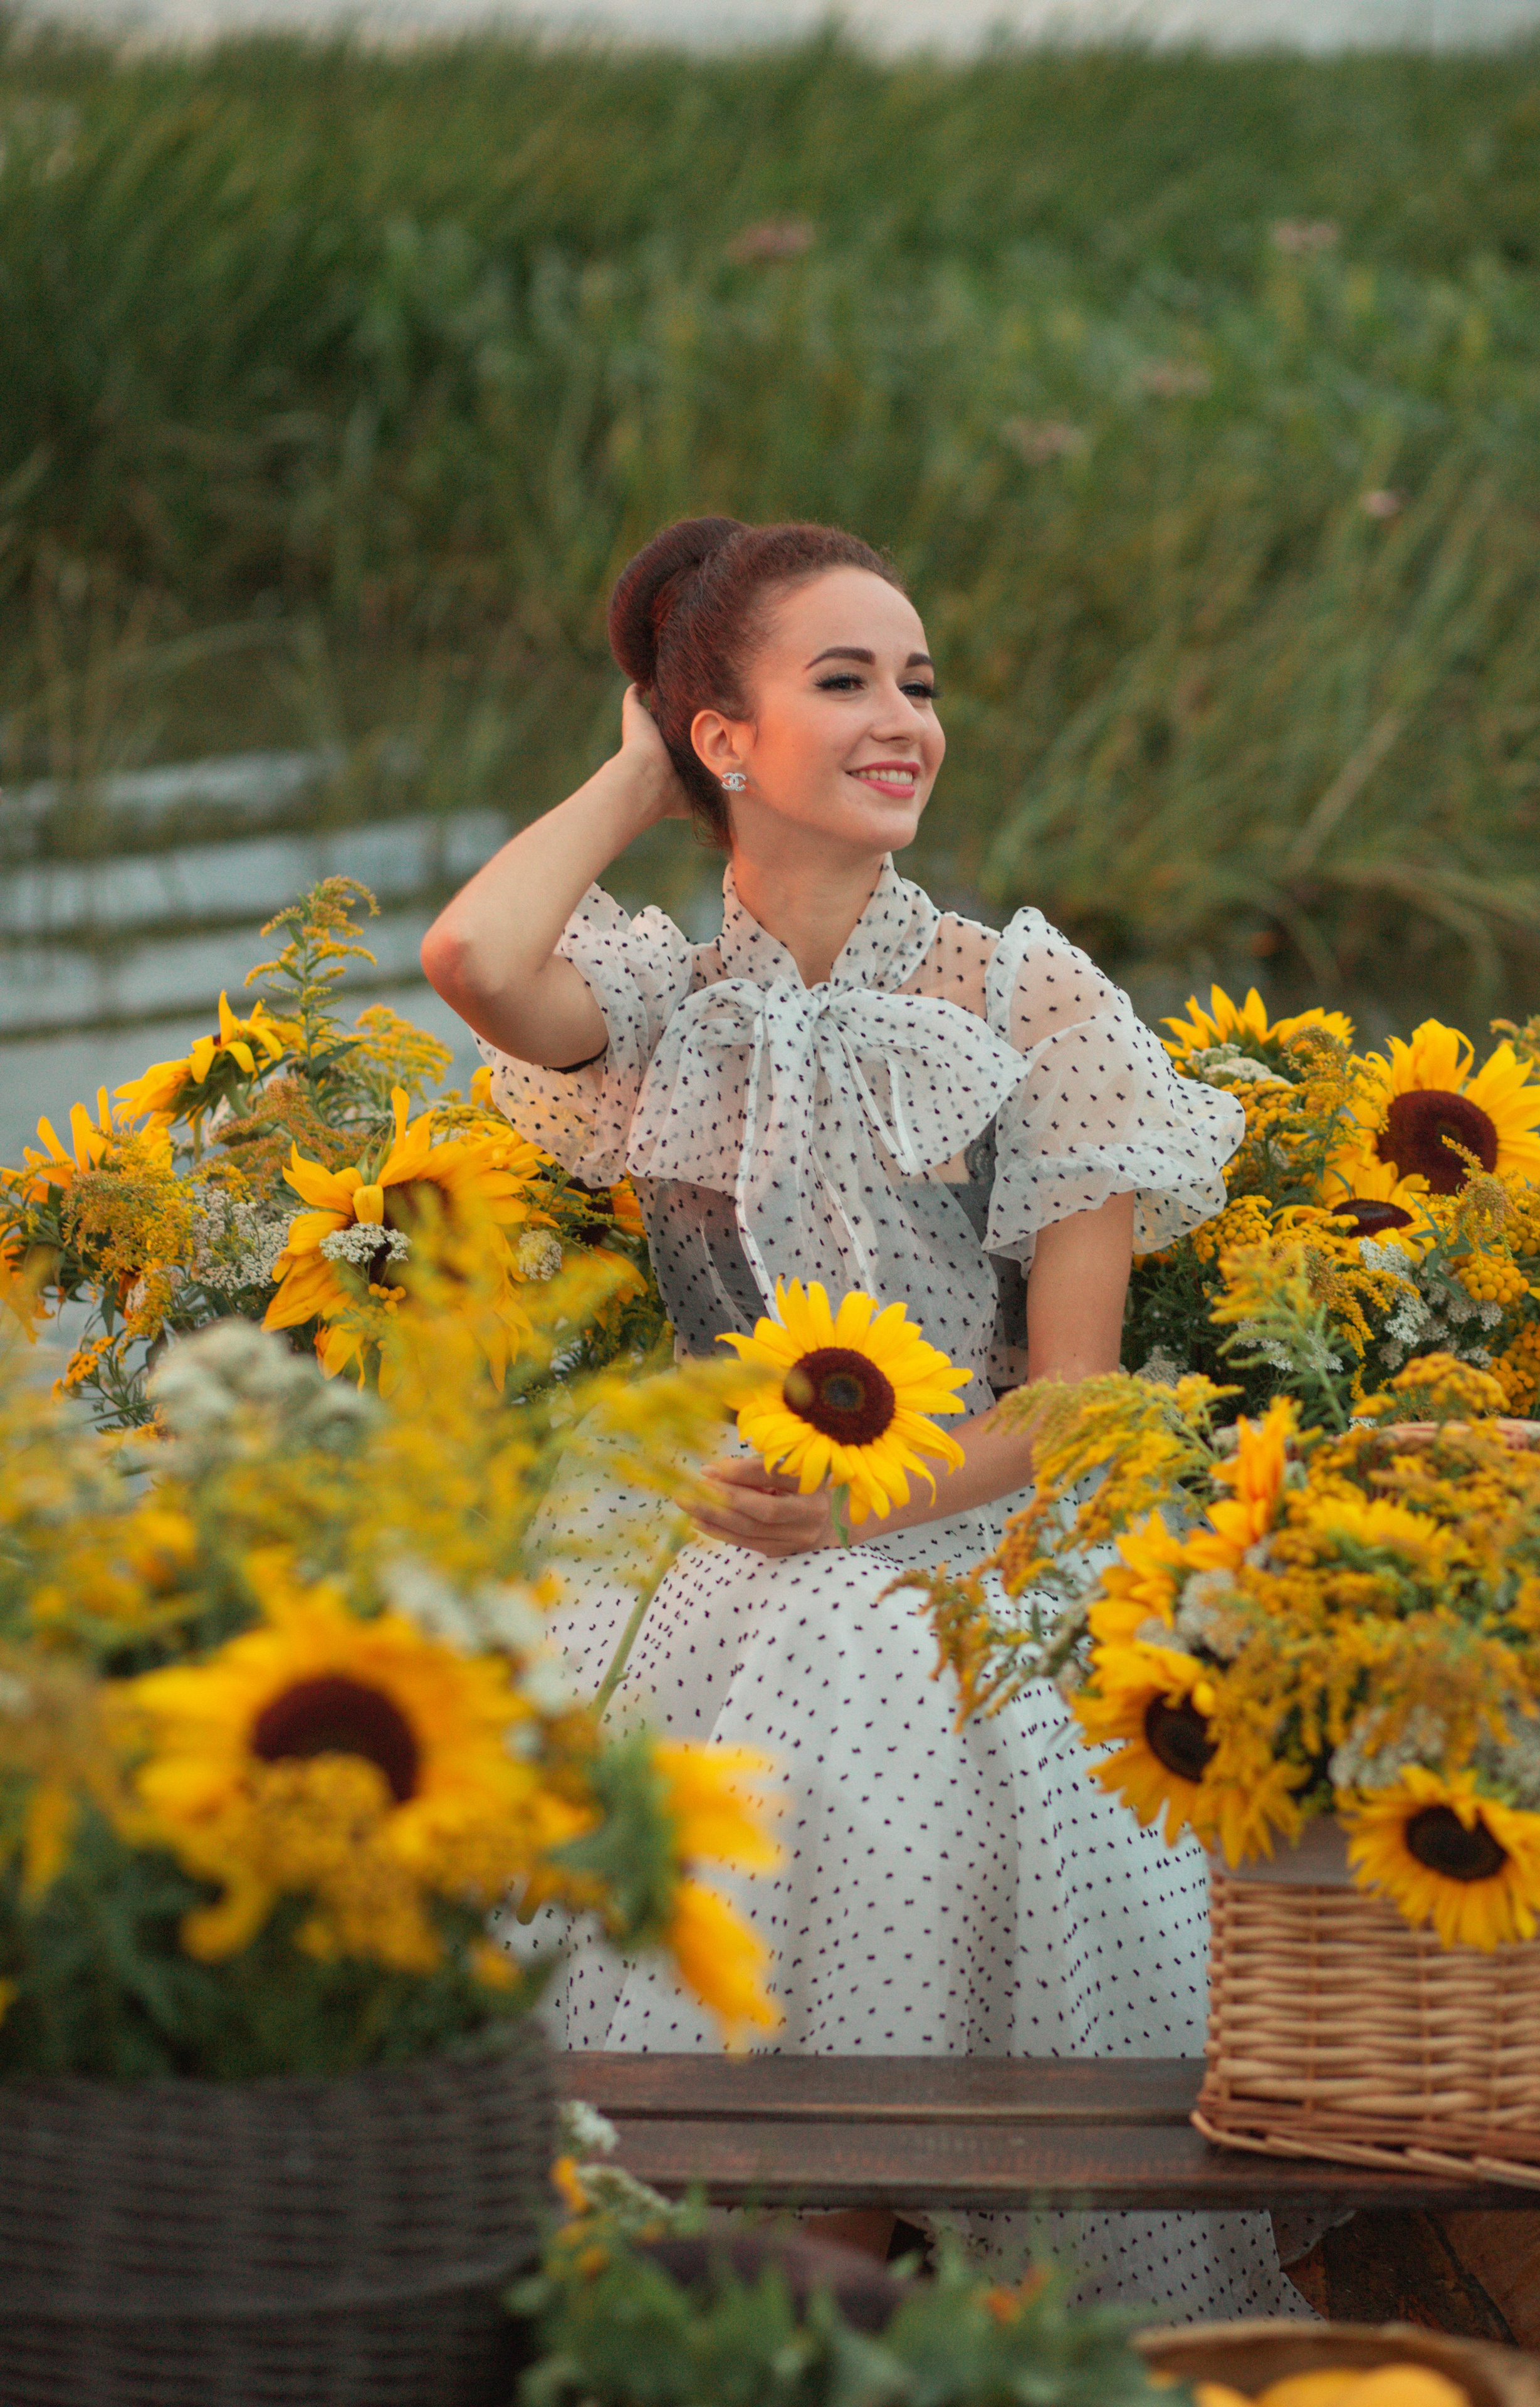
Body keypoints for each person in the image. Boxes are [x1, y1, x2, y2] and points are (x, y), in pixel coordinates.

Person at [421, 515, 1309, 2319]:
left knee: (857, 1691)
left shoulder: (1019, 991)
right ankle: (758, 2294)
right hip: (691, 1545)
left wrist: (858, 1517)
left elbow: (1075, 1404)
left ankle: (854, 2273)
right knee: (645, 1785)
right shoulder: (666, 996)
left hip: (960, 1528)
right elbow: (466, 957)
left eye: (920, 681)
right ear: (722, 742)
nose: (907, 717)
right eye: (846, 681)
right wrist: (631, 773)